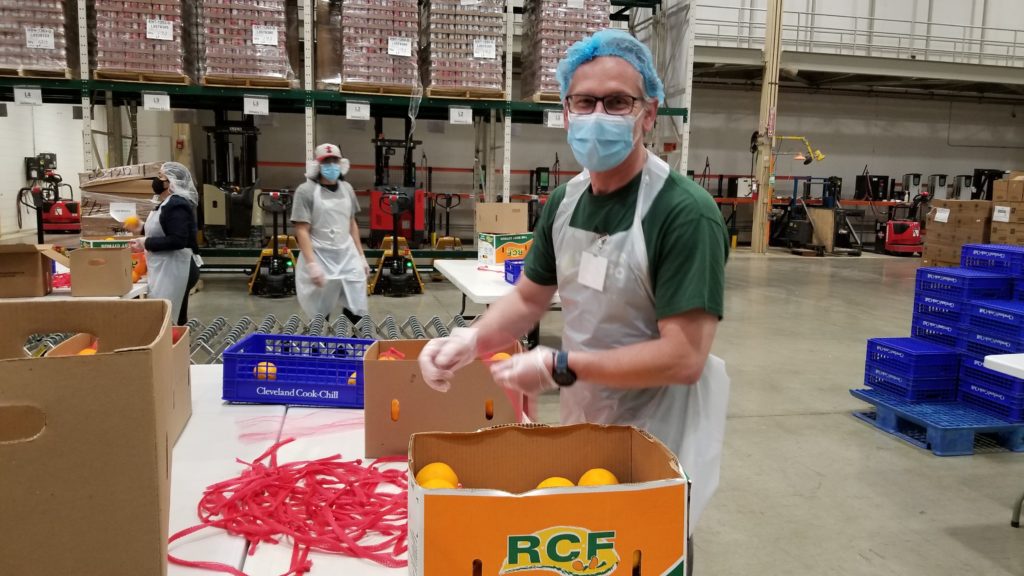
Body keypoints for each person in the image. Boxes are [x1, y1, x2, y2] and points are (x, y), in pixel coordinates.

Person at [419, 30, 730, 534]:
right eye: (585, 101)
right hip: (584, 419)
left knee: (642, 548)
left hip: (658, 434)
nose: (598, 115)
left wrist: (560, 365)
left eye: (617, 102)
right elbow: (528, 296)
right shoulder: (565, 203)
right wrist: (473, 340)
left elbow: (684, 357)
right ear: (566, 112)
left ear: (648, 114)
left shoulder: (683, 213)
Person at [291, 143, 369, 322]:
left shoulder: (347, 189)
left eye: (335, 160)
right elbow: (302, 230)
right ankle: (319, 347)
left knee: (356, 302)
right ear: (318, 165)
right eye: (327, 161)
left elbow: (351, 223)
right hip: (320, 256)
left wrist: (361, 256)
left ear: (341, 163)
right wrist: (312, 265)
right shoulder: (306, 191)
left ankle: (354, 345)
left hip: (347, 255)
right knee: (319, 308)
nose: (332, 165)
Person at [129, 162, 201, 326]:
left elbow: (178, 240)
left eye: (161, 176)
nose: (156, 180)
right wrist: (141, 228)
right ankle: (172, 348)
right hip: (168, 267)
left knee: (169, 319)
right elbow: (163, 230)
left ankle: (172, 349)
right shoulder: (166, 204)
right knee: (169, 317)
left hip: (178, 268)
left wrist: (145, 242)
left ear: (171, 182)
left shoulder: (177, 205)